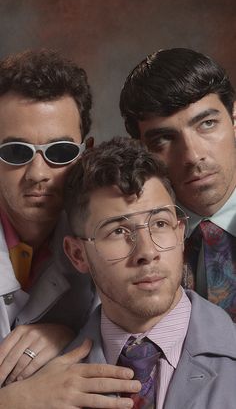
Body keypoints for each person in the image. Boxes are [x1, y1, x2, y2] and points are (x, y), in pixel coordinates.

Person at [0, 50, 139, 408]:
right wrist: (16, 401)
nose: (38, 174)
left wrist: (67, 333)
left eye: (59, 152)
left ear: (84, 152)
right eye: (16, 152)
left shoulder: (105, 234)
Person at [63, 137, 236, 409]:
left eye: (160, 223)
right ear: (77, 254)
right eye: (117, 231)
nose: (147, 251)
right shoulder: (45, 382)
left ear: (180, 233)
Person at [119, 48, 236, 321]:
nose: (193, 156)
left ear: (233, 118)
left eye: (207, 124)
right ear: (141, 149)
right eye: (164, 139)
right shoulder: (124, 243)